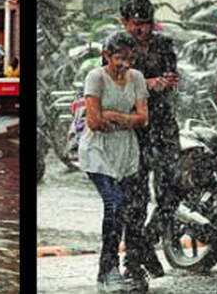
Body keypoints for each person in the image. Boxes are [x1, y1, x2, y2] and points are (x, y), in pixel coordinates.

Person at [80, 31, 150, 292]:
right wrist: (125, 118)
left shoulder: (137, 78)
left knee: (129, 210)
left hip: (127, 153)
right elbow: (94, 122)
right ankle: (108, 269)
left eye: (129, 59)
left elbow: (143, 118)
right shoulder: (96, 77)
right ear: (106, 56)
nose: (124, 65)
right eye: (119, 58)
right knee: (115, 204)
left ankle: (124, 268)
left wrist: (114, 115)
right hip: (97, 152)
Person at [119, 0, 182, 279]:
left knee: (172, 191)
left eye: (148, 23)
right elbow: (113, 85)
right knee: (136, 199)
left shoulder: (164, 44)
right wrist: (147, 83)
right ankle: (133, 263)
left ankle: (147, 242)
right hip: (134, 129)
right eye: (137, 24)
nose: (143, 29)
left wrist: (170, 82)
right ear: (124, 22)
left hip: (164, 124)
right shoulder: (117, 48)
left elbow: (172, 76)